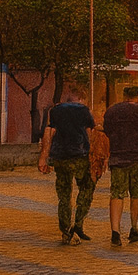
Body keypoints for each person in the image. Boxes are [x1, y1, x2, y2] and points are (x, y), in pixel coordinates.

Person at [37, 87, 97, 245]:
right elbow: (90, 133)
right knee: (86, 189)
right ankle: (78, 225)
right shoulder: (84, 110)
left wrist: (43, 157)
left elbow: (49, 133)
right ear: (81, 98)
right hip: (80, 157)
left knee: (64, 196)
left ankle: (65, 230)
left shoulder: (55, 110)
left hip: (60, 158)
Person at [102, 85, 138, 247]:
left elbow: (106, 134)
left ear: (124, 95)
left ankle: (115, 231)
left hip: (117, 157)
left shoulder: (112, 111)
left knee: (117, 194)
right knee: (136, 195)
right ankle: (133, 229)